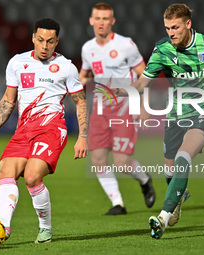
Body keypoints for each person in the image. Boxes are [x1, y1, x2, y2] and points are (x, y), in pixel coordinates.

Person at [113, 3, 204, 238]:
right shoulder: (162, 50)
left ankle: (163, 218)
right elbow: (143, 83)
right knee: (170, 171)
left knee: (183, 157)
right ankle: (179, 196)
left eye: (176, 27)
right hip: (176, 115)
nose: (171, 33)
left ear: (188, 24)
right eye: (167, 28)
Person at [0, 18, 88, 243]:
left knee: (32, 177)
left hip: (52, 129)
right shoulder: (17, 63)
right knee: (5, 171)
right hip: (24, 130)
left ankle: (45, 228)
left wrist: (82, 137)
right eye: (41, 40)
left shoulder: (66, 67)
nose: (44, 46)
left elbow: (81, 102)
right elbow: (8, 100)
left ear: (57, 42)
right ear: (33, 38)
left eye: (50, 42)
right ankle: (2, 227)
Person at [79, 2, 155, 215]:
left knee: (121, 163)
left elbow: (145, 74)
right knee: (98, 160)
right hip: (100, 111)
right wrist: (78, 83)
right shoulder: (88, 49)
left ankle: (145, 180)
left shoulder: (126, 45)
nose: (101, 23)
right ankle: (118, 204)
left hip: (124, 109)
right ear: (91, 21)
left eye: (105, 19)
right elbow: (84, 74)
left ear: (112, 21)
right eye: (97, 18)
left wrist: (143, 104)